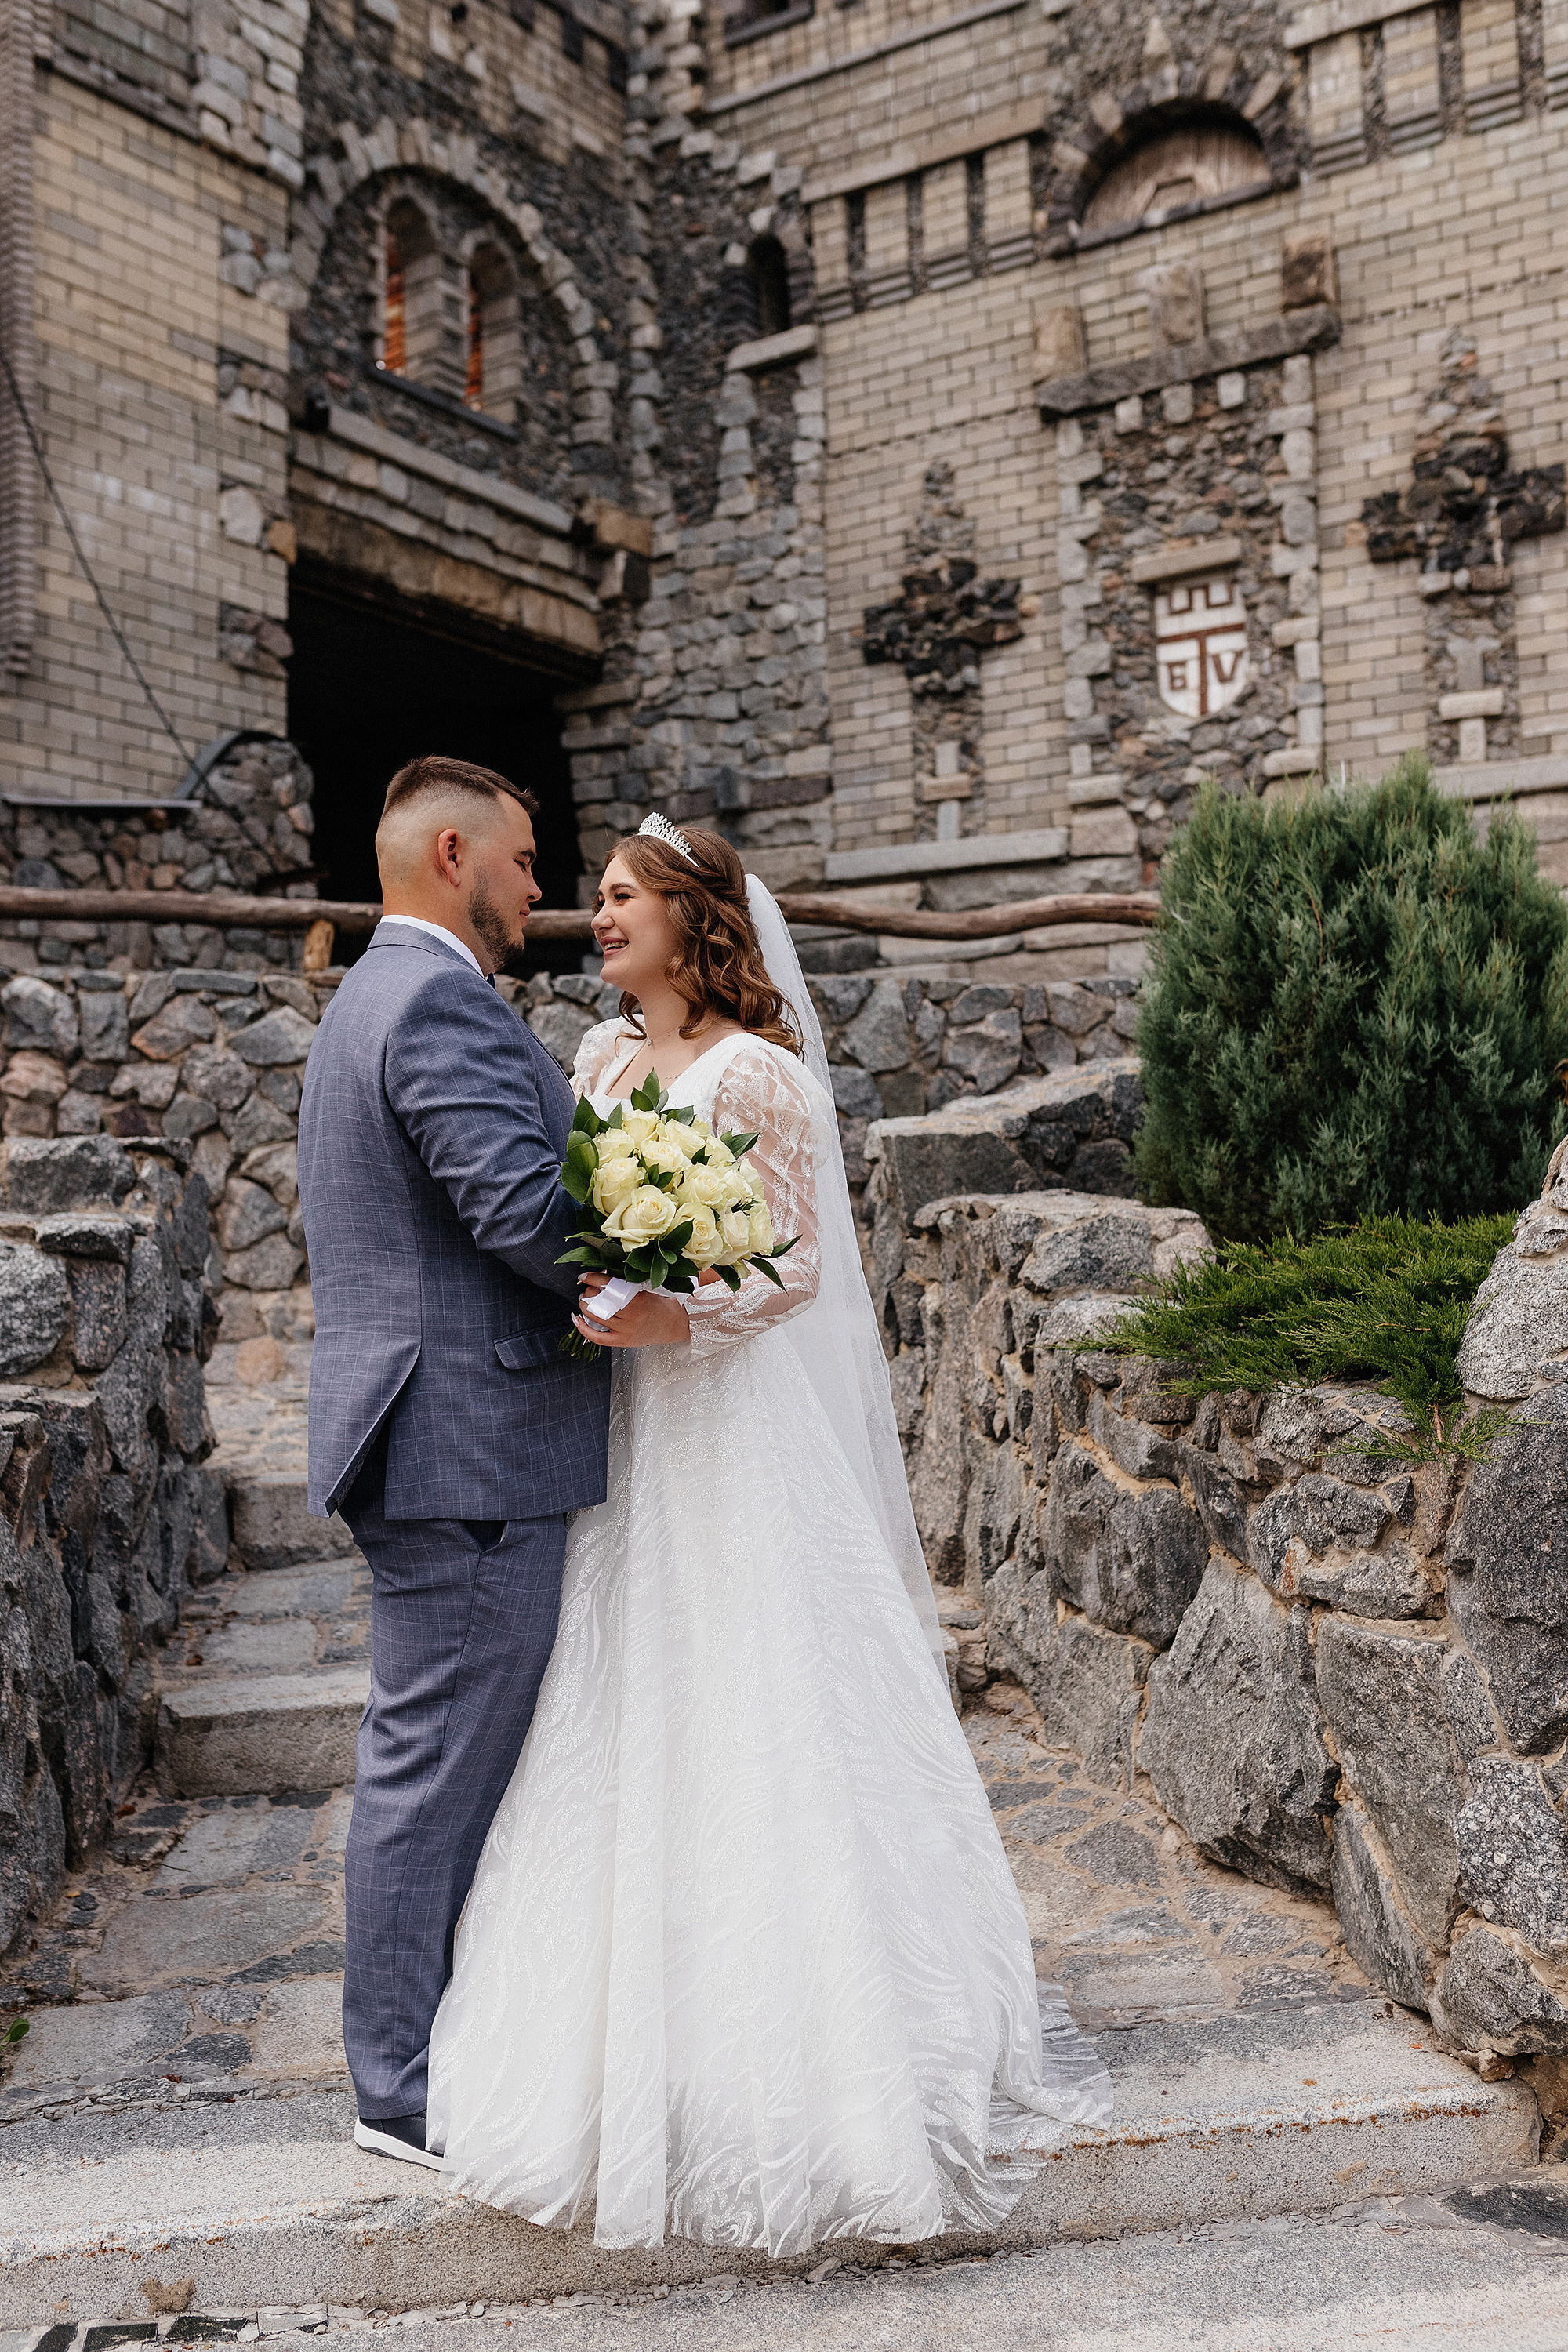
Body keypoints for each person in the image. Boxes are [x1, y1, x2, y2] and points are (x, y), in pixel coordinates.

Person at [425, 814, 1112, 2252]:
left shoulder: (764, 1075)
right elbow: (577, 1218)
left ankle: (828, 2066)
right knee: (628, 1700)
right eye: (595, 898)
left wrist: (682, 1306)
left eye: (622, 898)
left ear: (693, 914)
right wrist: (605, 1284)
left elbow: (794, 1271)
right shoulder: (601, 1063)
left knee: (770, 1703)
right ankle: (633, 2062)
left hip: (735, 1426)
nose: (597, 916)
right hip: (633, 1433)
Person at [296, 754, 612, 2171]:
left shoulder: (372, 992)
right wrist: (668, 1277)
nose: (539, 888)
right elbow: (519, 1215)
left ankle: (420, 2055)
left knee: (432, 1759)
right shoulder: (431, 997)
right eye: (526, 859)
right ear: (449, 854)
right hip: (465, 1447)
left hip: (434, 1437)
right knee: (428, 1770)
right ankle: (401, 2090)